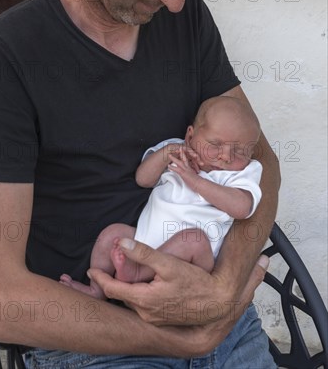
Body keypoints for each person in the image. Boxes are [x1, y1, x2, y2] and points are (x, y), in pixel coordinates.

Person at [0, 0, 280, 369]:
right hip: (93, 338)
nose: (176, 1)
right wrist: (177, 340)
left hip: (216, 317)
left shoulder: (187, 20)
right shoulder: (1, 58)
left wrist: (220, 292)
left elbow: (263, 161)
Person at [60, 96, 263, 299]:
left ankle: (138, 273)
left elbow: (242, 208)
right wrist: (168, 153)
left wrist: (195, 181)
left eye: (239, 152)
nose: (226, 157)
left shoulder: (242, 173)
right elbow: (143, 179)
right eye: (215, 144)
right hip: (144, 240)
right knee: (112, 234)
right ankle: (97, 289)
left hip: (192, 261)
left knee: (194, 239)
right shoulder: (176, 150)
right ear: (190, 136)